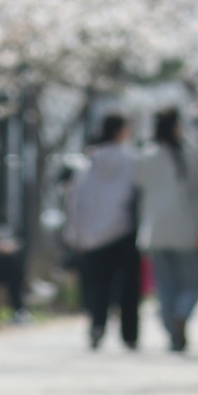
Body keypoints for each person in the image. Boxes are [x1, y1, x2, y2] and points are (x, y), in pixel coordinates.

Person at [133, 108, 198, 352]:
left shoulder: (146, 156)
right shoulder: (190, 156)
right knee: (191, 286)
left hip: (155, 232)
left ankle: (172, 329)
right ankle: (181, 315)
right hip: (186, 231)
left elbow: (139, 192)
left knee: (165, 288)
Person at [65, 114, 139, 350]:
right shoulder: (130, 159)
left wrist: (76, 231)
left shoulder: (89, 162)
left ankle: (97, 325)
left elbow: (77, 199)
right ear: (119, 131)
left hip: (94, 235)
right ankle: (130, 334)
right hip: (125, 230)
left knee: (99, 285)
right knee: (128, 286)